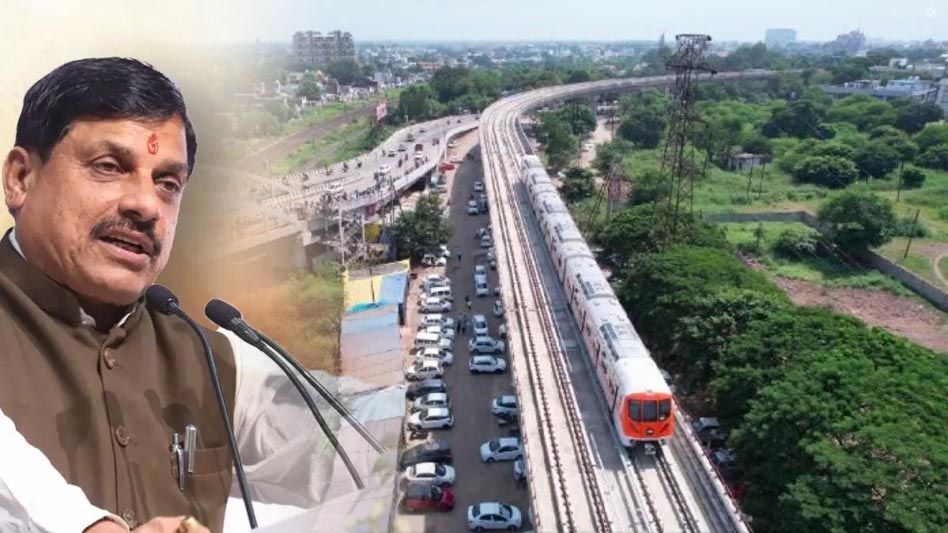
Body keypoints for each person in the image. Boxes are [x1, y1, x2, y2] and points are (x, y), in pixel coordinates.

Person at [0, 58, 372, 533]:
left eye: (167, 184)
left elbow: (343, 431)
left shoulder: (205, 355)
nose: (146, 205)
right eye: (109, 167)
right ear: (21, 178)